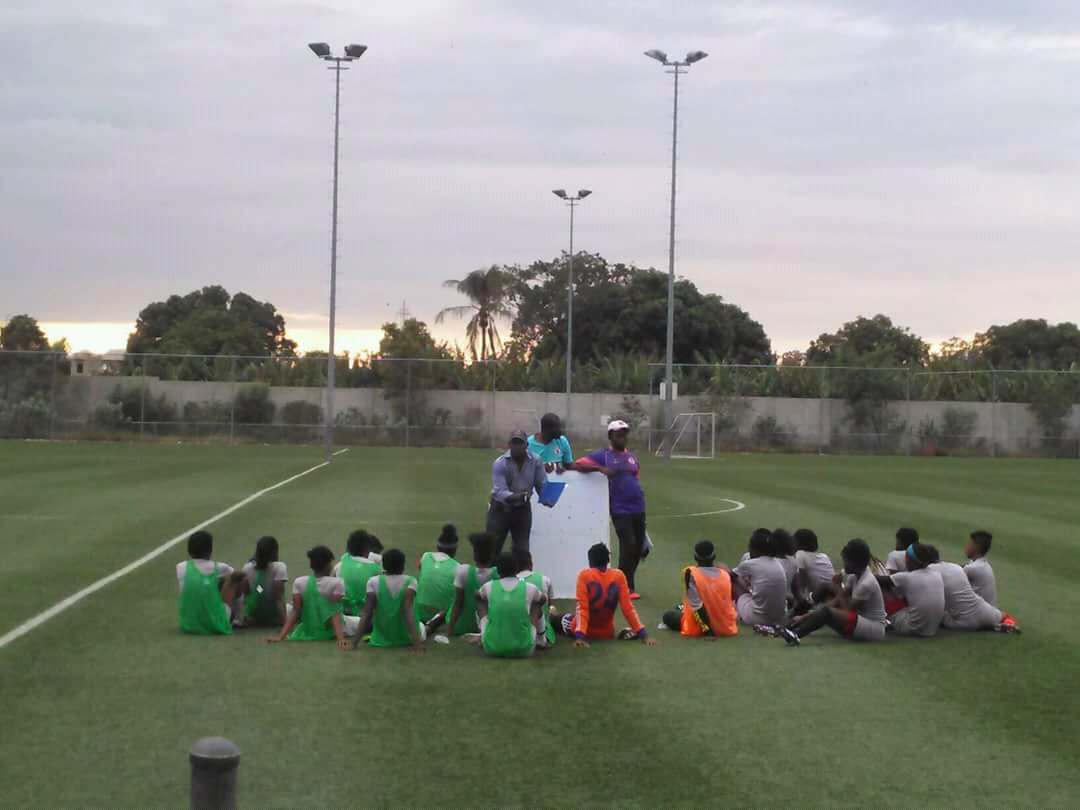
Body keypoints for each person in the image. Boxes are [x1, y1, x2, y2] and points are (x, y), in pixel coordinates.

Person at [575, 419, 649, 599]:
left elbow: (635, 476)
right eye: (618, 434)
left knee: (639, 547)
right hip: (620, 508)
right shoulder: (604, 456)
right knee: (628, 544)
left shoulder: (632, 457)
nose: (622, 437)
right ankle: (624, 586)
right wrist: (600, 468)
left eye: (624, 434)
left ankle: (627, 581)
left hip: (638, 506)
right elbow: (578, 464)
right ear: (611, 436)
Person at [782, 539, 887, 645]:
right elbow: (837, 601)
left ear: (855, 562)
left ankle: (795, 634)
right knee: (826, 602)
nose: (844, 564)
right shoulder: (854, 576)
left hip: (874, 629)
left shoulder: (867, 582)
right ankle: (792, 622)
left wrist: (837, 587)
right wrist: (804, 617)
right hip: (859, 622)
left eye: (846, 561)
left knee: (827, 613)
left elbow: (848, 609)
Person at [553, 543, 655, 647]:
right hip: (606, 633)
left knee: (555, 619)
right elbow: (628, 609)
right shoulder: (619, 576)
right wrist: (644, 634)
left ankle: (552, 614)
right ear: (608, 560)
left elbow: (582, 609)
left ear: (590, 561)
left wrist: (580, 636)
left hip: (584, 631)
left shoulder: (584, 576)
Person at [266, 545, 351, 650]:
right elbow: (335, 612)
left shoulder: (299, 582)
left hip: (308, 629)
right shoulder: (337, 583)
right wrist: (341, 638)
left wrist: (281, 636)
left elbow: (296, 611)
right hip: (333, 629)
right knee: (361, 622)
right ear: (328, 565)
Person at [486, 429, 548, 555]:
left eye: (520, 443)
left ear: (527, 445)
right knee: (492, 549)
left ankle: (520, 574)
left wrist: (547, 497)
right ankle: (492, 573)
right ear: (509, 445)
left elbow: (541, 485)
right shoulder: (500, 463)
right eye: (514, 443)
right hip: (500, 509)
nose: (517, 447)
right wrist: (516, 496)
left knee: (522, 550)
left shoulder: (535, 461)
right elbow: (500, 492)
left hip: (522, 509)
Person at [476, 552, 548, 658]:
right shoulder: (529, 587)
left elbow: (477, 596)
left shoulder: (489, 586)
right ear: (517, 569)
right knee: (537, 604)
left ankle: (484, 633)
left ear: (498, 570)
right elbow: (543, 599)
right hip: (524, 648)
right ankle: (541, 638)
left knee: (480, 602)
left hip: (492, 648)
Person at [661, 540, 737, 638]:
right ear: (714, 557)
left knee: (668, 616)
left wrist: (707, 630)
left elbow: (697, 606)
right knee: (681, 606)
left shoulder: (691, 574)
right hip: (726, 627)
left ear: (695, 557)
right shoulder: (725, 574)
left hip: (700, 627)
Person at [354, 549, 425, 652]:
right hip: (406, 639)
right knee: (424, 627)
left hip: (380, 639)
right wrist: (417, 644)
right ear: (402, 565)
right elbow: (408, 612)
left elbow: (366, 614)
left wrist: (354, 642)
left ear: (384, 565)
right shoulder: (411, 581)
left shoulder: (373, 582)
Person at [929, 553, 1019, 632]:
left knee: (939, 616)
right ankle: (998, 625)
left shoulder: (968, 569)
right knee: (1006, 617)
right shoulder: (980, 566)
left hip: (964, 621)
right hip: (981, 608)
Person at [431, 532, 498, 637]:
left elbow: (458, 603)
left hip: (462, 626)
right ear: (491, 555)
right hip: (490, 627)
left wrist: (449, 631)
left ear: (474, 554)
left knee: (447, 607)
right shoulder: (497, 574)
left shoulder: (463, 571)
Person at [177, 530, 240, 636]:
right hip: (215, 624)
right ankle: (240, 618)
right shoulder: (220, 567)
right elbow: (238, 576)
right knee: (233, 581)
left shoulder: (181, 567)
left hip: (188, 623)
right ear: (210, 550)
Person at [878, 542, 945, 638]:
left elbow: (878, 580)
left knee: (884, 588)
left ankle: (878, 620)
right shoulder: (936, 574)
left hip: (912, 628)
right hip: (932, 629)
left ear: (909, 560)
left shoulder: (907, 577)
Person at [731, 529, 788, 629]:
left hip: (758, 618)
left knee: (733, 580)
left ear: (755, 549)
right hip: (780, 617)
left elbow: (731, 575)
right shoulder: (777, 562)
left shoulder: (751, 563)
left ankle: (729, 611)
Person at [415, 525, 461, 625]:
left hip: (419, 610)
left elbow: (420, 568)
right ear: (455, 549)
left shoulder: (426, 556)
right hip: (442, 613)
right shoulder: (458, 567)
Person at [239, 535, 288, 628]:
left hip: (253, 615)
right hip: (273, 616)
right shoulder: (279, 567)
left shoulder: (247, 568)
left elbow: (246, 595)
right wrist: (285, 624)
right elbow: (278, 598)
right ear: (275, 552)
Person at [333, 529, 383, 616]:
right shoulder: (377, 569)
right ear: (368, 548)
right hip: (367, 619)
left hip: (344, 618)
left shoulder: (339, 566)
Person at [515, 550, 556, 648]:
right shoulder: (544, 579)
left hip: (515, 632)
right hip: (542, 630)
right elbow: (551, 606)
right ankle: (541, 637)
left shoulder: (508, 583)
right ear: (531, 563)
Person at [793, 528, 835, 607]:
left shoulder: (800, 554)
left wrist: (801, 600)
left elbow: (800, 580)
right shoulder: (824, 556)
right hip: (833, 594)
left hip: (820, 597)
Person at [964, 530, 997, 606]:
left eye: (969, 544)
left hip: (980, 616)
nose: (966, 546)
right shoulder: (983, 564)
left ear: (976, 547)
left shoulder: (974, 568)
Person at [771, 528, 798, 601]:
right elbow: (795, 587)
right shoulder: (793, 562)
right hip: (789, 599)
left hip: (776, 600)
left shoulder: (771, 563)